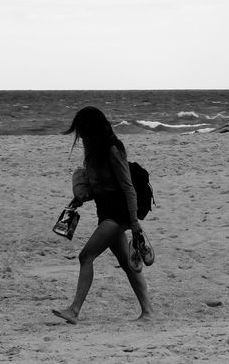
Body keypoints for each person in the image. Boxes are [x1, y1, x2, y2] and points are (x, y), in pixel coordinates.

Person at [52, 106, 152, 324]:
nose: (80, 136)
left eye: (82, 131)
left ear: (92, 129)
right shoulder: (93, 152)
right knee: (127, 263)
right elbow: (98, 186)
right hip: (104, 211)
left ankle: (74, 310)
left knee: (86, 256)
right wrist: (78, 199)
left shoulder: (113, 149)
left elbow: (128, 188)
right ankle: (147, 312)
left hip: (119, 212)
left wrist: (134, 222)